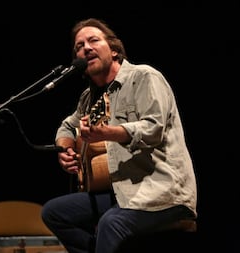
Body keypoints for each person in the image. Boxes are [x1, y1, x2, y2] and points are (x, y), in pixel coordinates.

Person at [41, 18, 197, 253]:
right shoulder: (88, 98)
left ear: (114, 50)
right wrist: (66, 148)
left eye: (93, 40)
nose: (85, 48)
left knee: (111, 224)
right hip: (122, 193)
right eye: (79, 46)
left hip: (163, 192)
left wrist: (108, 133)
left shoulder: (143, 77)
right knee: (54, 213)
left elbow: (153, 129)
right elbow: (67, 126)